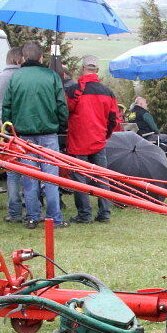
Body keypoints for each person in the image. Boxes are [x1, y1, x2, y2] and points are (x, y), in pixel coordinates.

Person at [2, 42, 70, 229]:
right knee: (51, 178)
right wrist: (62, 124)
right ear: (41, 57)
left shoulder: (16, 77)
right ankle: (54, 217)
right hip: (48, 133)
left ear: (23, 58)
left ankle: (32, 216)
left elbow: (7, 106)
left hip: (23, 135)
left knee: (29, 178)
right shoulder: (52, 76)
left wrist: (9, 129)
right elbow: (61, 105)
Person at [65, 54, 117, 224]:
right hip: (98, 140)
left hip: (77, 141)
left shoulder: (73, 91)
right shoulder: (108, 93)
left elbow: (64, 113)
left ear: (82, 68)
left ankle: (84, 214)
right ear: (97, 70)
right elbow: (113, 120)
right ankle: (104, 212)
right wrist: (105, 135)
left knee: (79, 180)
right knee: (101, 177)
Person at [0, 46, 26, 223]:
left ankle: (14, 210)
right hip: (27, 129)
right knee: (32, 169)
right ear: (20, 60)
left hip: (7, 131)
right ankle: (33, 205)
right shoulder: (25, 77)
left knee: (12, 172)